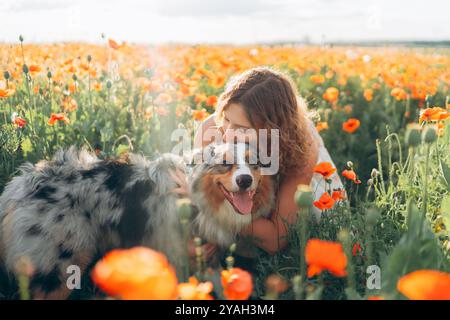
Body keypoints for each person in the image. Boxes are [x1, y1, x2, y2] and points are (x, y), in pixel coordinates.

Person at [174, 66, 343, 258]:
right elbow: (198, 205)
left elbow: (275, 240)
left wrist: (208, 205)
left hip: (302, 207)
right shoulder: (210, 130)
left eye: (242, 128)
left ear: (271, 129)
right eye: (226, 119)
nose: (228, 135)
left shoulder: (301, 147)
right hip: (238, 210)